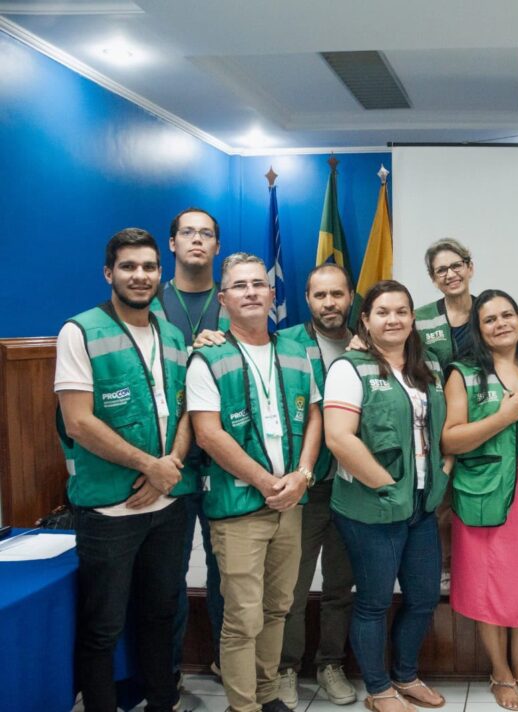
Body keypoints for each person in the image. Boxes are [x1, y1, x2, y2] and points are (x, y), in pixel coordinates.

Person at [55, 228, 192, 712]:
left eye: (150, 267)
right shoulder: (80, 330)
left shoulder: (173, 335)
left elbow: (185, 412)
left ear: (161, 273)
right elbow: (78, 421)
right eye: (129, 267)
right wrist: (147, 465)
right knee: (103, 625)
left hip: (169, 504)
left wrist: (169, 466)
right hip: (110, 510)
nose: (140, 276)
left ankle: (160, 701)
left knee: (159, 613)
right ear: (108, 272)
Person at [187, 252, 322, 712]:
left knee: (277, 608)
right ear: (222, 299)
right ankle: (242, 706)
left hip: (292, 503)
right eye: (239, 286)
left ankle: (267, 696)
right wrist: (269, 482)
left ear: (271, 294)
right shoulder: (208, 356)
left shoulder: (298, 351)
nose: (250, 291)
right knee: (242, 619)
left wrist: (302, 476)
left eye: (258, 284)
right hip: (238, 506)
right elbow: (207, 433)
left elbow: (316, 415)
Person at [324, 280, 449, 712]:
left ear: (413, 319)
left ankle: (406, 675)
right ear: (366, 320)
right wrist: (386, 485)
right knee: (374, 601)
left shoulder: (426, 365)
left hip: (421, 505)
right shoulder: (349, 368)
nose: (393, 319)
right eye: (382, 312)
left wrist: (443, 473)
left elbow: (439, 430)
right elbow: (339, 439)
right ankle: (378, 689)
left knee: (423, 597)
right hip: (370, 507)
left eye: (401, 311)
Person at [442, 290, 518, 710]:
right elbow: (450, 437)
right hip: (485, 487)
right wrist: (501, 419)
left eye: (507, 315)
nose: (500, 324)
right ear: (478, 328)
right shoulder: (464, 373)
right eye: (489, 319)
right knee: (488, 583)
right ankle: (500, 672)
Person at [150, 206, 228, 680]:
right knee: (167, 578)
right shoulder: (148, 304)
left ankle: (226, 660)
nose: (197, 240)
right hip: (168, 464)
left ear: (217, 247)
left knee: (227, 574)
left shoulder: (237, 300)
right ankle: (167, 674)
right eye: (187, 233)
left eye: (206, 234)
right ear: (173, 244)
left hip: (222, 462)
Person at [276, 264, 358, 708]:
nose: (329, 303)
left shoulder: (368, 343)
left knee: (340, 585)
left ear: (350, 297)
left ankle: (330, 664)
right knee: (293, 584)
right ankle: (286, 668)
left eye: (337, 294)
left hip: (351, 488)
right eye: (320, 295)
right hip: (304, 485)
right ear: (307, 299)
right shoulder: (284, 342)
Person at [415, 238, 478, 593]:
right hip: (437, 420)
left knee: (476, 494)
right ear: (433, 277)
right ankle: (444, 567)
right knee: (441, 497)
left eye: (457, 265)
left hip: (483, 416)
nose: (451, 274)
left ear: (470, 267)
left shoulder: (489, 307)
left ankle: (473, 564)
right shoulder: (421, 318)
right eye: (442, 270)